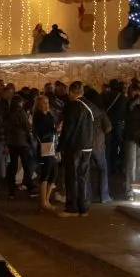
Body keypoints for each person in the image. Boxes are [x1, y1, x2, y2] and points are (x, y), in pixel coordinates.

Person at [58, 80, 96, 216]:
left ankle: (71, 207)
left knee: (71, 176)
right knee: (83, 177)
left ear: (72, 92)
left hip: (74, 146)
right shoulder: (90, 105)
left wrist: (60, 146)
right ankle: (83, 207)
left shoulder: (72, 106)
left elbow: (68, 129)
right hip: (88, 146)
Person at [4, 85, 36, 197]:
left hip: (11, 142)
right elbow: (27, 127)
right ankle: (29, 186)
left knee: (12, 165)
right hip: (22, 142)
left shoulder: (8, 113)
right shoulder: (20, 112)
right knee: (27, 165)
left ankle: (11, 190)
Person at [33, 93, 60, 211]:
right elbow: (46, 131)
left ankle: (46, 200)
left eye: (47, 103)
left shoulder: (48, 115)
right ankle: (43, 201)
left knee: (54, 171)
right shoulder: (39, 117)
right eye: (44, 103)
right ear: (39, 105)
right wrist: (56, 128)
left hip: (51, 144)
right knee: (46, 172)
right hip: (45, 145)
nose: (46, 105)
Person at [123, 83, 140, 196]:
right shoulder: (129, 104)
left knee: (139, 165)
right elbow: (128, 113)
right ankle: (130, 191)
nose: (137, 94)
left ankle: (139, 190)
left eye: (138, 91)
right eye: (135, 91)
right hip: (133, 137)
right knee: (132, 165)